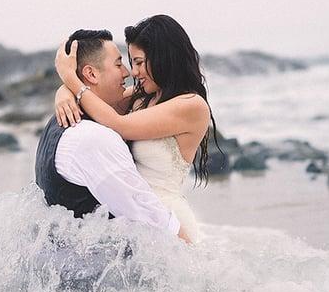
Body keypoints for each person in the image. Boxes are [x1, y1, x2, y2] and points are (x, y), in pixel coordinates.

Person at [54, 15, 217, 243]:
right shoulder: (142, 97)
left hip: (167, 219)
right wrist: (63, 92)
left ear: (164, 58)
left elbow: (119, 125)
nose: (134, 73)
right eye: (131, 63)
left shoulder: (191, 105)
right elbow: (99, 97)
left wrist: (70, 79)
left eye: (139, 62)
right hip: (136, 215)